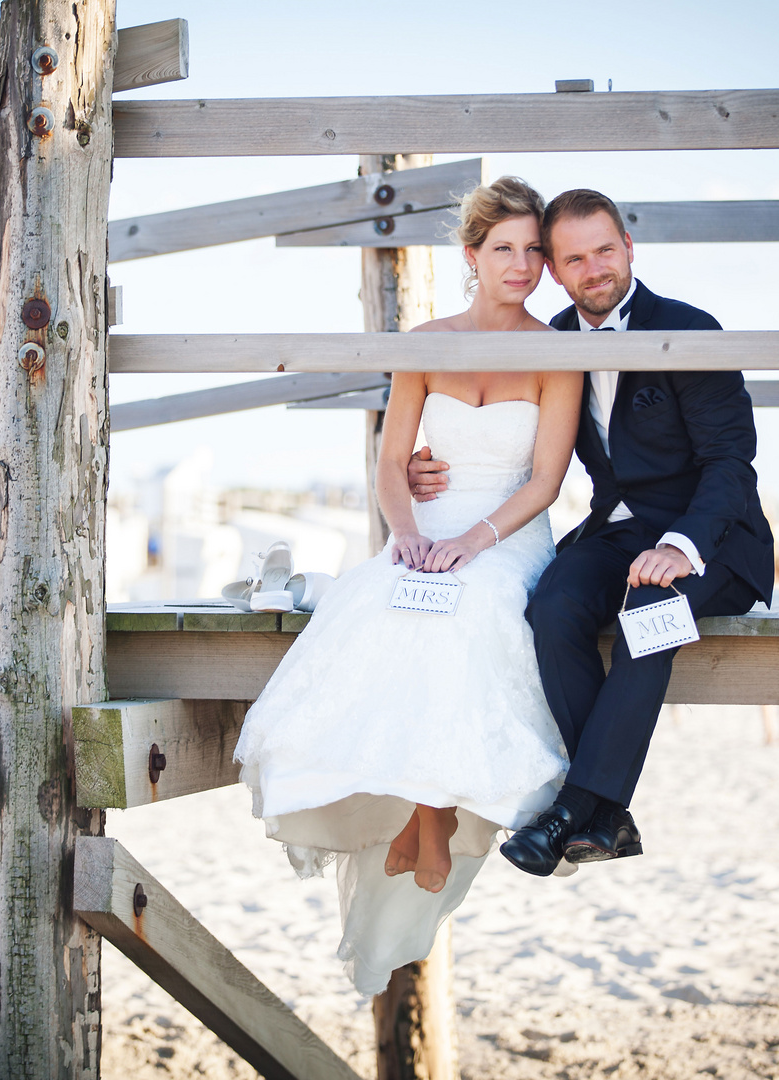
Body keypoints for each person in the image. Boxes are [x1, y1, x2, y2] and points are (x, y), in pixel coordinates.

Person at [233, 178, 582, 994]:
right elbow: (392, 466)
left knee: (474, 609)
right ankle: (426, 815)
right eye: (506, 249)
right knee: (380, 602)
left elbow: (546, 480)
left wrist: (470, 540)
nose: (524, 265)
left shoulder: (555, 350)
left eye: (535, 250)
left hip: (506, 532)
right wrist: (410, 537)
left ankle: (428, 820)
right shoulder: (423, 342)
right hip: (428, 528)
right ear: (472, 256)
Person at [408, 188, 775, 877]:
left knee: (650, 614)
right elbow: (521, 438)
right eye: (575, 258)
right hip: (618, 532)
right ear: (556, 270)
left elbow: (731, 463)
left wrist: (681, 547)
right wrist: (428, 465)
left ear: (628, 248)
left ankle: (572, 810)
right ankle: (603, 816)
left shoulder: (687, 329)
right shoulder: (554, 344)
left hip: (714, 539)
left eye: (605, 250)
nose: (594, 268)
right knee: (553, 605)